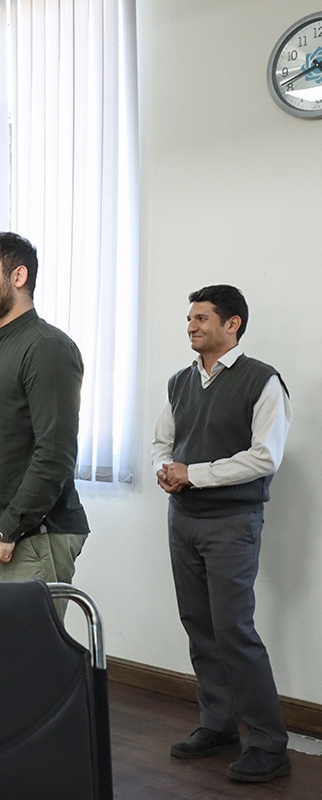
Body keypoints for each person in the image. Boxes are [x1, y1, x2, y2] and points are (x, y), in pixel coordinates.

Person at [152, 285, 292, 784]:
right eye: (189, 318)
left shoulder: (262, 380)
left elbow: (265, 457)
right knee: (199, 625)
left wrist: (193, 473)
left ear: (233, 324)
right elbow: (163, 442)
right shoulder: (179, 381)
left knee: (234, 630)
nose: (191, 326)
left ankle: (270, 745)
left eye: (202, 318)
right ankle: (218, 725)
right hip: (183, 519)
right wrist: (166, 470)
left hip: (232, 522)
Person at [0, 232, 89, 585]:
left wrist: (6, 531)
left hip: (29, 538)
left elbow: (54, 454)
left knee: (26, 628)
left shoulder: (47, 347)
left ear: (18, 276)